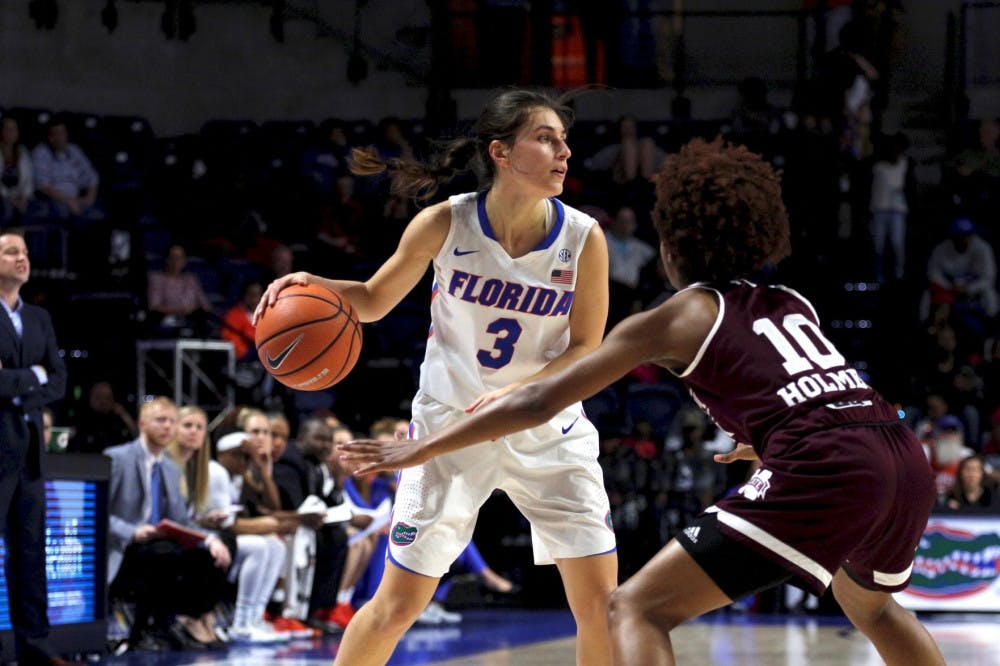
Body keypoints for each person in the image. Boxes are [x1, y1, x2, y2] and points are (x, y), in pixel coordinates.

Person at [338, 138, 946, 666]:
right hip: (899, 451)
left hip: (830, 463)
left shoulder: (674, 317)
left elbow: (536, 403)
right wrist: (765, 436)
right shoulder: (788, 299)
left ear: (676, 243)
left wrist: (423, 446)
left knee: (634, 608)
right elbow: (809, 387)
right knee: (872, 606)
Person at [256, 88, 617, 666]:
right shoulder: (445, 223)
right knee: (397, 607)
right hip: (446, 430)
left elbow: (587, 348)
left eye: (564, 140)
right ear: (500, 151)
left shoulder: (583, 238)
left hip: (549, 431)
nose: (563, 152)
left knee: (602, 610)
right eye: (546, 138)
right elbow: (372, 300)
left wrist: (523, 394)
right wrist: (311, 285)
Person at [0, 229, 77, 665]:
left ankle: (35, 643)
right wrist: (34, 376)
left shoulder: (40, 318)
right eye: (11, 251)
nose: (21, 258)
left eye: (25, 252)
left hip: (29, 450)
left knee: (30, 551)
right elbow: (41, 377)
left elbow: (61, 379)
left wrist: (17, 379)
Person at [104, 396, 231, 652]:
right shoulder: (117, 458)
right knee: (163, 553)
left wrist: (210, 539)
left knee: (212, 553)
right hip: (124, 543)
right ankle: (143, 632)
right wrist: (133, 531)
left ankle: (185, 620)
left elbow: (181, 520)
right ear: (142, 423)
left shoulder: (171, 468)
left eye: (172, 422)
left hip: (159, 543)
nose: (168, 427)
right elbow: (99, 513)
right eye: (161, 420)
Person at [146, 243, 214, 337]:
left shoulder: (191, 280)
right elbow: (153, 306)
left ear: (184, 261)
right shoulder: (156, 278)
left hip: (190, 322)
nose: (176, 261)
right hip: (166, 323)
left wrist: (194, 312)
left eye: (179, 258)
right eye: (173, 257)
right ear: (166, 259)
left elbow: (206, 306)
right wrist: (180, 311)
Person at [0, 118, 34, 225]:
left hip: (19, 197)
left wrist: (24, 198)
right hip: (3, 197)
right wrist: (10, 200)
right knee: (7, 209)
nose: (11, 133)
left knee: (35, 208)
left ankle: (21, 240)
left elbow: (29, 180)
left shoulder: (23, 152)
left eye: (14, 130)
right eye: (8, 130)